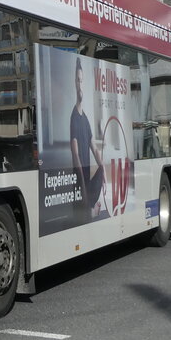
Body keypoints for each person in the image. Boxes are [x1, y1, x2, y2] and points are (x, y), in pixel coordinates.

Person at [70, 57, 105, 221]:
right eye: (78, 80)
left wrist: (102, 169)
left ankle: (91, 206)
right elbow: (75, 154)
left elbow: (94, 147)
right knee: (83, 214)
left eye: (82, 80)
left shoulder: (86, 119)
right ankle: (90, 206)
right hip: (80, 177)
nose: (80, 84)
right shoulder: (74, 117)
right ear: (74, 84)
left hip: (87, 178)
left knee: (102, 168)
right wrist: (83, 185)